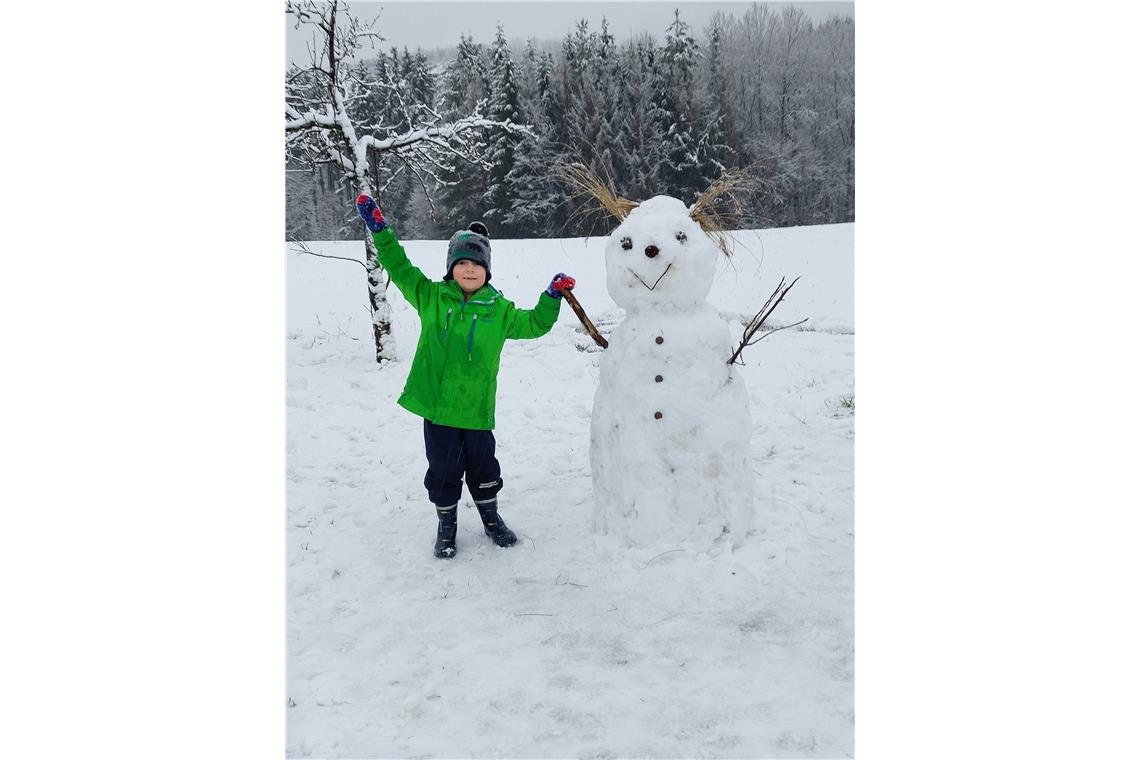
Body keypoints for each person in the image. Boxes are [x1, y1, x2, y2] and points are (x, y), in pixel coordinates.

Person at [355, 194, 576, 559]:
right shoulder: (431, 297)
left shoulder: (499, 310)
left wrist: (551, 297)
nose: (470, 269)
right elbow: (399, 267)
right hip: (438, 408)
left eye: (477, 263)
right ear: (451, 267)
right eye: (462, 263)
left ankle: (490, 517)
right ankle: (447, 523)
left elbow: (535, 324)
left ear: (487, 270)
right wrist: (381, 230)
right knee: (443, 471)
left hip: (475, 410)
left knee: (484, 467)